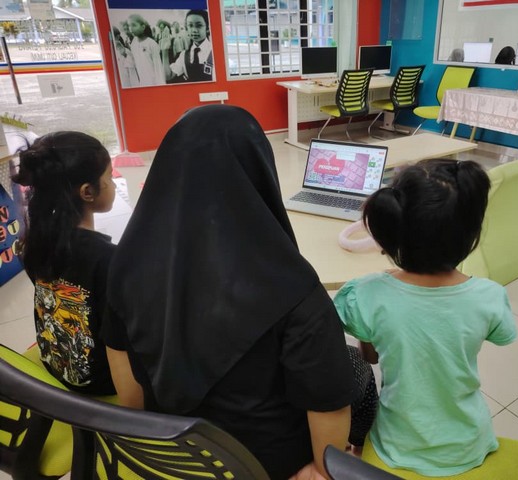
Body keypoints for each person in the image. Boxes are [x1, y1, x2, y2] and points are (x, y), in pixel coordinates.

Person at [102, 105, 365, 480]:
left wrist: (152, 445)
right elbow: (329, 402)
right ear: (259, 170)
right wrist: (323, 472)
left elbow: (127, 383)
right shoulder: (294, 288)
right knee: (355, 367)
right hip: (264, 465)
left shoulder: (127, 264)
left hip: (174, 452)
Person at [334, 159, 518, 477]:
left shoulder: (365, 293)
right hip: (468, 442)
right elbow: (503, 335)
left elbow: (370, 357)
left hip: (398, 443)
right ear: (471, 233)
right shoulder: (489, 295)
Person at [11, 132, 117, 395]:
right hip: (98, 383)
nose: (113, 184)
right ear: (88, 192)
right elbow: (121, 339)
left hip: (53, 362)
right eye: (109, 177)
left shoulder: (33, 241)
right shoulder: (107, 259)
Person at [161, 9, 213, 83]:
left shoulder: (214, 52)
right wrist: (164, 51)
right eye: (190, 25)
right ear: (187, 28)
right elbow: (168, 76)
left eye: (199, 25)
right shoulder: (184, 55)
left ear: (207, 28)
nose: (194, 30)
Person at [127, 14, 165, 86]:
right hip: (142, 83)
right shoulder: (133, 43)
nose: (130, 28)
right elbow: (133, 63)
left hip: (154, 83)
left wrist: (161, 86)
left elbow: (158, 68)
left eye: (134, 25)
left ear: (143, 27)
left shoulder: (151, 44)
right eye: (129, 25)